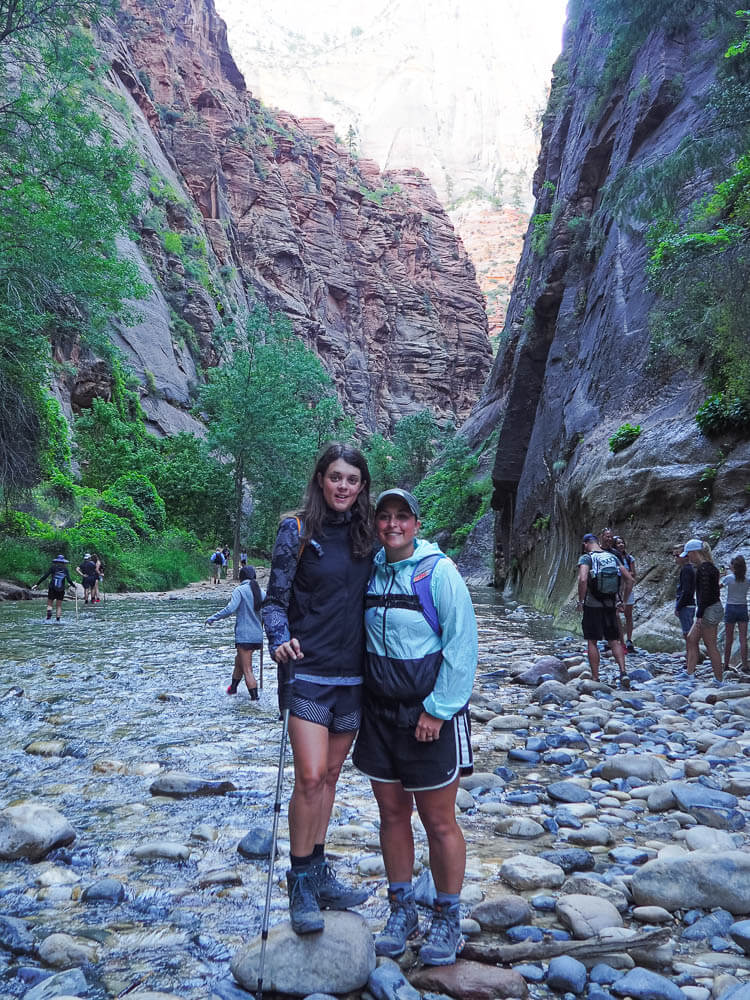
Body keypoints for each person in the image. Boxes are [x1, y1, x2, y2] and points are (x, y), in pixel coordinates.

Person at [353, 488, 477, 966]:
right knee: (390, 815)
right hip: (379, 714)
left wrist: (438, 710)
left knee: (439, 821)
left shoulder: (438, 573)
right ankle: (401, 908)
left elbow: (462, 646)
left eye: (402, 517)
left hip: (427, 715)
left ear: (417, 524)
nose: (392, 525)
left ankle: (448, 916)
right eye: (384, 517)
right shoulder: (372, 572)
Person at [262, 443, 374, 935]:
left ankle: (319, 870)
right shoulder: (298, 530)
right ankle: (300, 883)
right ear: (321, 480)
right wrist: (278, 638)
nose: (343, 487)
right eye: (335, 477)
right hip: (307, 671)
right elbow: (273, 602)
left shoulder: (369, 536)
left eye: (352, 479)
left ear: (362, 486)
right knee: (308, 777)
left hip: (355, 677)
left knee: (329, 777)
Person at [577, 533, 632, 686]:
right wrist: (623, 601)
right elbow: (629, 579)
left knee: (592, 641)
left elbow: (583, 579)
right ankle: (623, 672)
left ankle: (595, 678)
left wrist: (580, 601)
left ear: (585, 544)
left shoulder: (587, 558)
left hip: (592, 604)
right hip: (610, 603)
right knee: (614, 640)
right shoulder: (612, 557)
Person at [206, 565, 265, 699]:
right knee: (239, 662)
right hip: (257, 637)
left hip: (244, 637)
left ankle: (255, 701)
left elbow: (230, 609)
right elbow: (267, 612)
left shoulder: (240, 590)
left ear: (241, 578)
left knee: (247, 669)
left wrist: (213, 618)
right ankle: (232, 689)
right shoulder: (261, 592)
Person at [683, 538, 723, 683]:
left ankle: (719, 680)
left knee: (710, 645)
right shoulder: (710, 567)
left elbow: (705, 594)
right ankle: (690, 673)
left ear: (695, 553)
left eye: (689, 554)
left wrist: (699, 615)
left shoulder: (704, 569)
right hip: (711, 608)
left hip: (709, 610)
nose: (688, 558)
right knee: (691, 638)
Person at [721, 555, 749, 675]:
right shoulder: (747, 580)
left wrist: (721, 576)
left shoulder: (728, 578)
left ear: (734, 567)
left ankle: (726, 664)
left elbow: (718, 587)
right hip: (742, 608)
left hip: (730, 608)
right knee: (743, 639)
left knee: (729, 639)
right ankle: (745, 665)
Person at [32, 555, 74, 622]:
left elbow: (45, 576)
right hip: (61, 589)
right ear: (63, 562)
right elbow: (69, 580)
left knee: (50, 603)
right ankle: (58, 620)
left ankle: (48, 617)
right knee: (59, 606)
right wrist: (74, 586)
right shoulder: (65, 569)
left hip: (52, 588)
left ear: (56, 561)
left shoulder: (53, 568)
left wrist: (37, 584)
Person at [673, 545, 697, 663]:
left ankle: (691, 660)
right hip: (688, 604)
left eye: (677, 555)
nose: (675, 558)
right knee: (687, 634)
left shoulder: (687, 569)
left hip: (686, 606)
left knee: (688, 635)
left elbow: (686, 591)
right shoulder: (688, 569)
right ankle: (690, 658)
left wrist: (678, 606)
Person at [613, 536, 637, 652]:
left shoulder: (629, 558)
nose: (621, 545)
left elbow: (634, 573)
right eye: (618, 543)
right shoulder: (611, 558)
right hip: (616, 590)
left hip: (628, 589)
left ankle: (629, 640)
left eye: (622, 542)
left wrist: (624, 574)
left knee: (628, 615)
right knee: (616, 615)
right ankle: (619, 639)